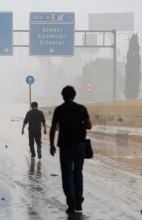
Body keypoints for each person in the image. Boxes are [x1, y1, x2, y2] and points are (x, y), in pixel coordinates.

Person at [49, 86, 92, 214]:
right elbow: (89, 125)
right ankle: (79, 202)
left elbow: (52, 128)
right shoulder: (81, 108)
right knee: (78, 173)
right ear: (74, 95)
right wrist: (79, 124)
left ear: (63, 96)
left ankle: (71, 203)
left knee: (67, 174)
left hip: (65, 145)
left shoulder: (59, 109)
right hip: (80, 145)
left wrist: (51, 145)